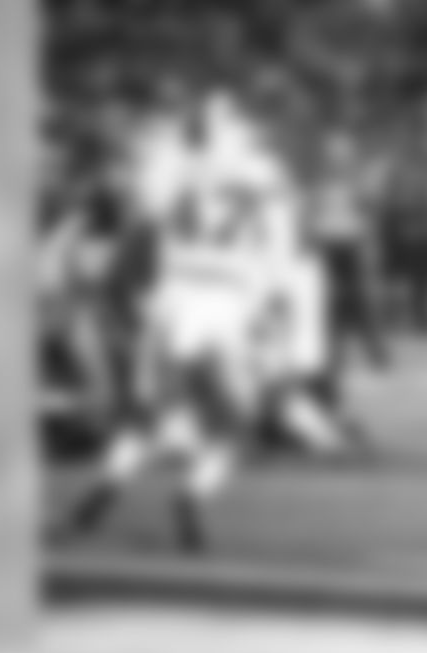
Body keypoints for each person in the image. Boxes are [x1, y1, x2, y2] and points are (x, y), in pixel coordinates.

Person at [51, 88, 303, 553]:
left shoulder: (172, 174)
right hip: (221, 317)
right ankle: (190, 496)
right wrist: (273, 317)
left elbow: (144, 220)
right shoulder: (262, 182)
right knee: (231, 429)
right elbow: (278, 259)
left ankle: (100, 496)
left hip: (173, 311)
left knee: (145, 421)